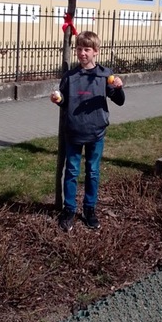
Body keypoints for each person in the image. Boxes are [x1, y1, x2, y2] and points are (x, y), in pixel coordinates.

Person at [50, 31, 125, 231]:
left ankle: (89, 209)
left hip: (96, 133)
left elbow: (119, 101)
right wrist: (58, 99)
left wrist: (118, 88)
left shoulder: (104, 75)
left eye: (87, 49)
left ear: (96, 52)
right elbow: (65, 102)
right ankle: (69, 209)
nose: (82, 53)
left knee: (92, 172)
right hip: (74, 132)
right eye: (79, 49)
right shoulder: (70, 77)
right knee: (72, 171)